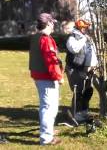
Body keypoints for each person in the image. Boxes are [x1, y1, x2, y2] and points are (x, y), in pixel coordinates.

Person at [29, 13, 64, 145]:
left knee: (51, 106)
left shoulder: (36, 37)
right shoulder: (45, 39)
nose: (54, 24)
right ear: (48, 23)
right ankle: (46, 138)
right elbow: (51, 61)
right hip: (46, 77)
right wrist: (58, 77)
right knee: (48, 107)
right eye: (52, 22)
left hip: (40, 76)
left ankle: (48, 129)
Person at [65, 19, 98, 122]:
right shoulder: (72, 38)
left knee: (88, 91)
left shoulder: (88, 38)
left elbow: (92, 52)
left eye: (87, 27)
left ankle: (84, 111)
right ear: (80, 28)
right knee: (78, 92)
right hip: (74, 69)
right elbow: (74, 49)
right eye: (84, 27)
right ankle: (76, 115)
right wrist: (83, 39)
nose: (86, 29)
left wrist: (94, 65)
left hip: (88, 69)